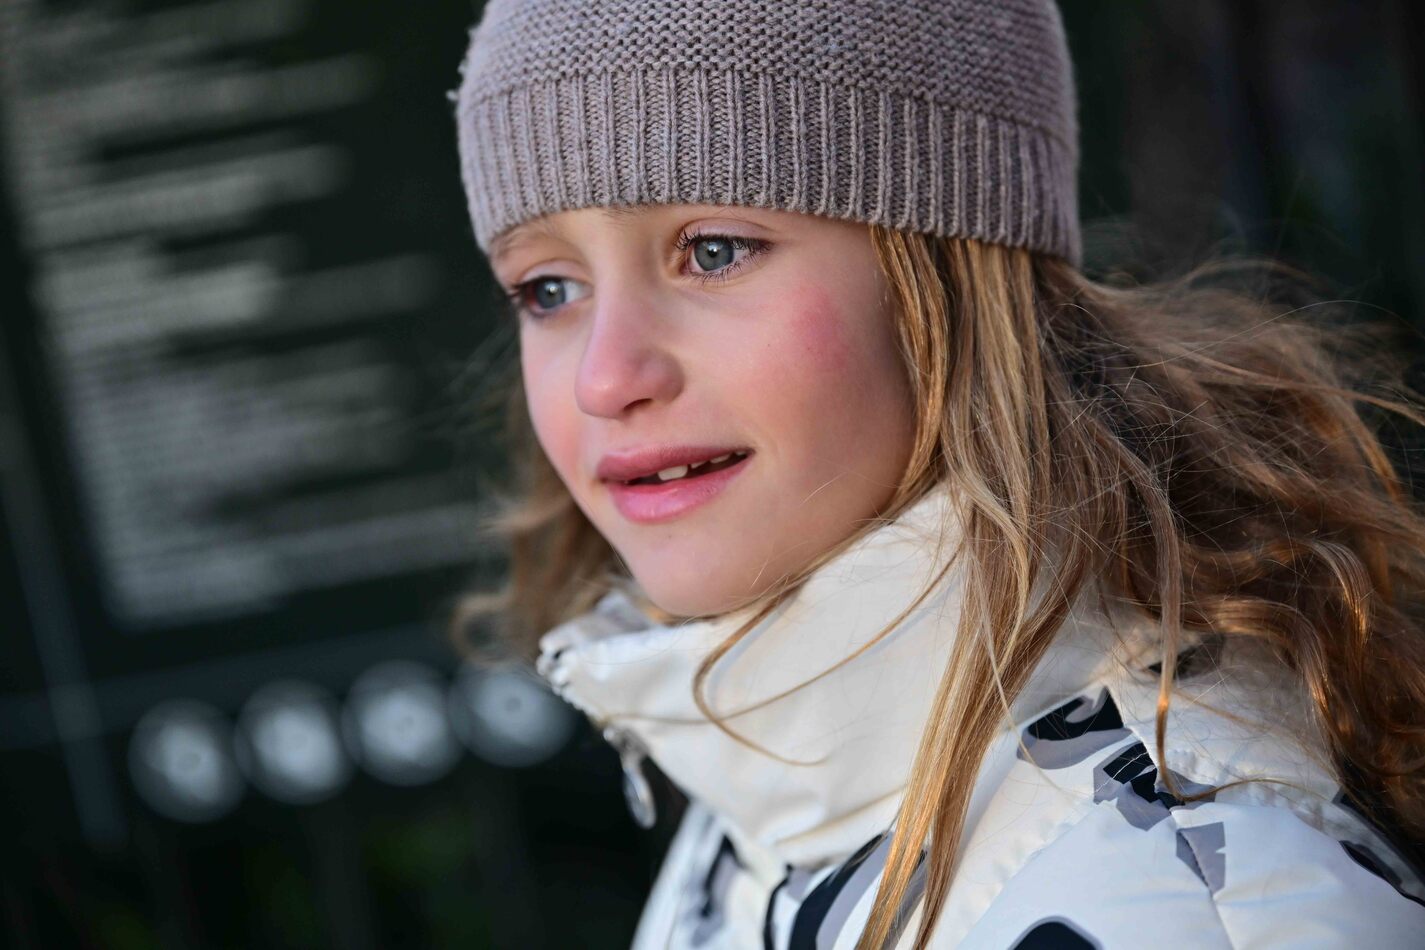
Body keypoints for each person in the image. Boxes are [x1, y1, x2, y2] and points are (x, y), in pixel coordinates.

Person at [451, 1, 1425, 946]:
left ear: (950, 275)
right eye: (548, 289)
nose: (605, 378)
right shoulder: (765, 789)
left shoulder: (1199, 904)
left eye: (713, 251)